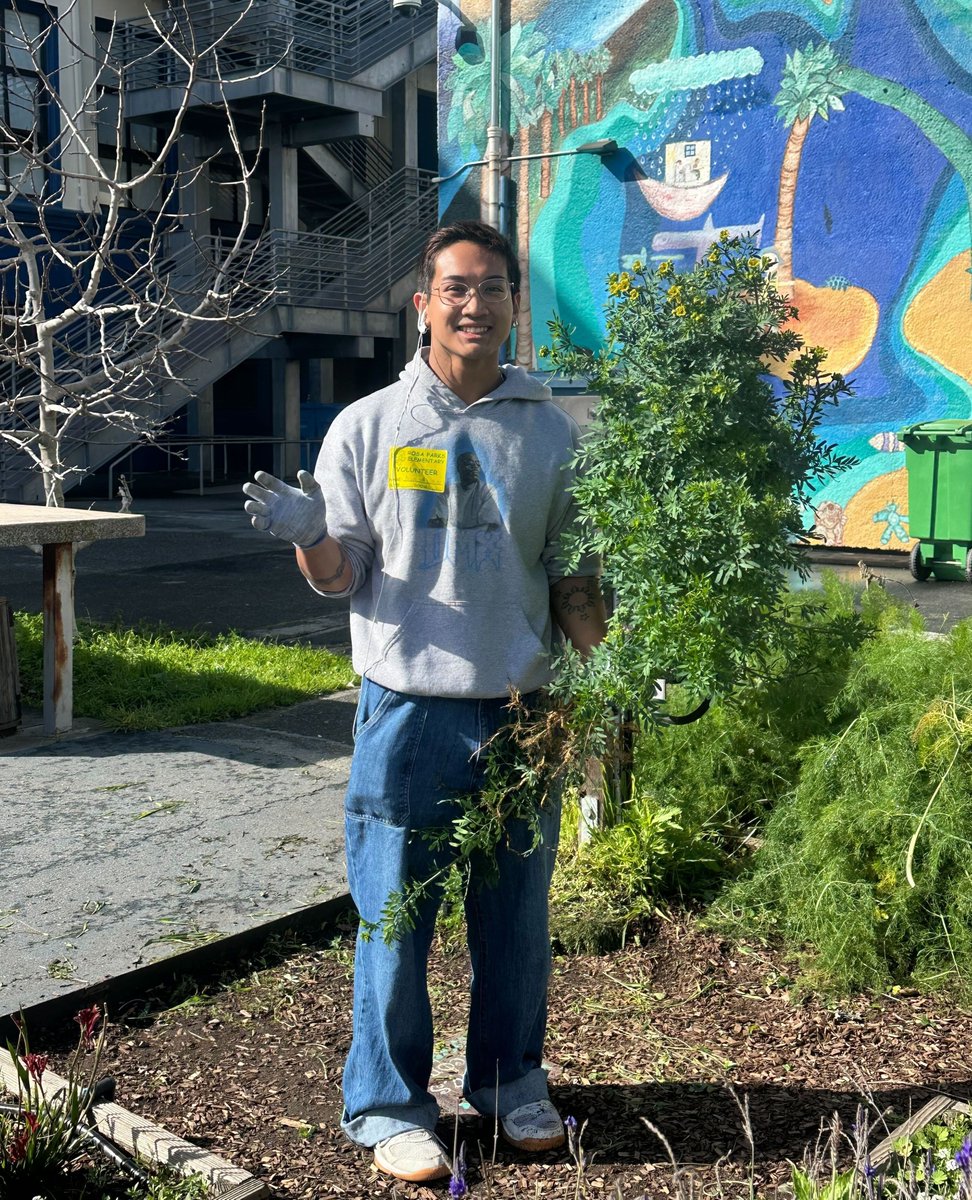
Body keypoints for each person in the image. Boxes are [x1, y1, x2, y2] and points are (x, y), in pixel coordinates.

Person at [243, 219, 607, 1184]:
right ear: (423, 303)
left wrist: (606, 668)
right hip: (408, 713)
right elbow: (340, 575)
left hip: (524, 712)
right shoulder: (366, 427)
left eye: (492, 289)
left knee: (517, 917)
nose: (474, 304)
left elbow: (571, 569)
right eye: (456, 288)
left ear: (513, 306)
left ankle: (508, 1083)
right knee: (395, 919)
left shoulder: (548, 429)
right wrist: (313, 533)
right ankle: (389, 1106)